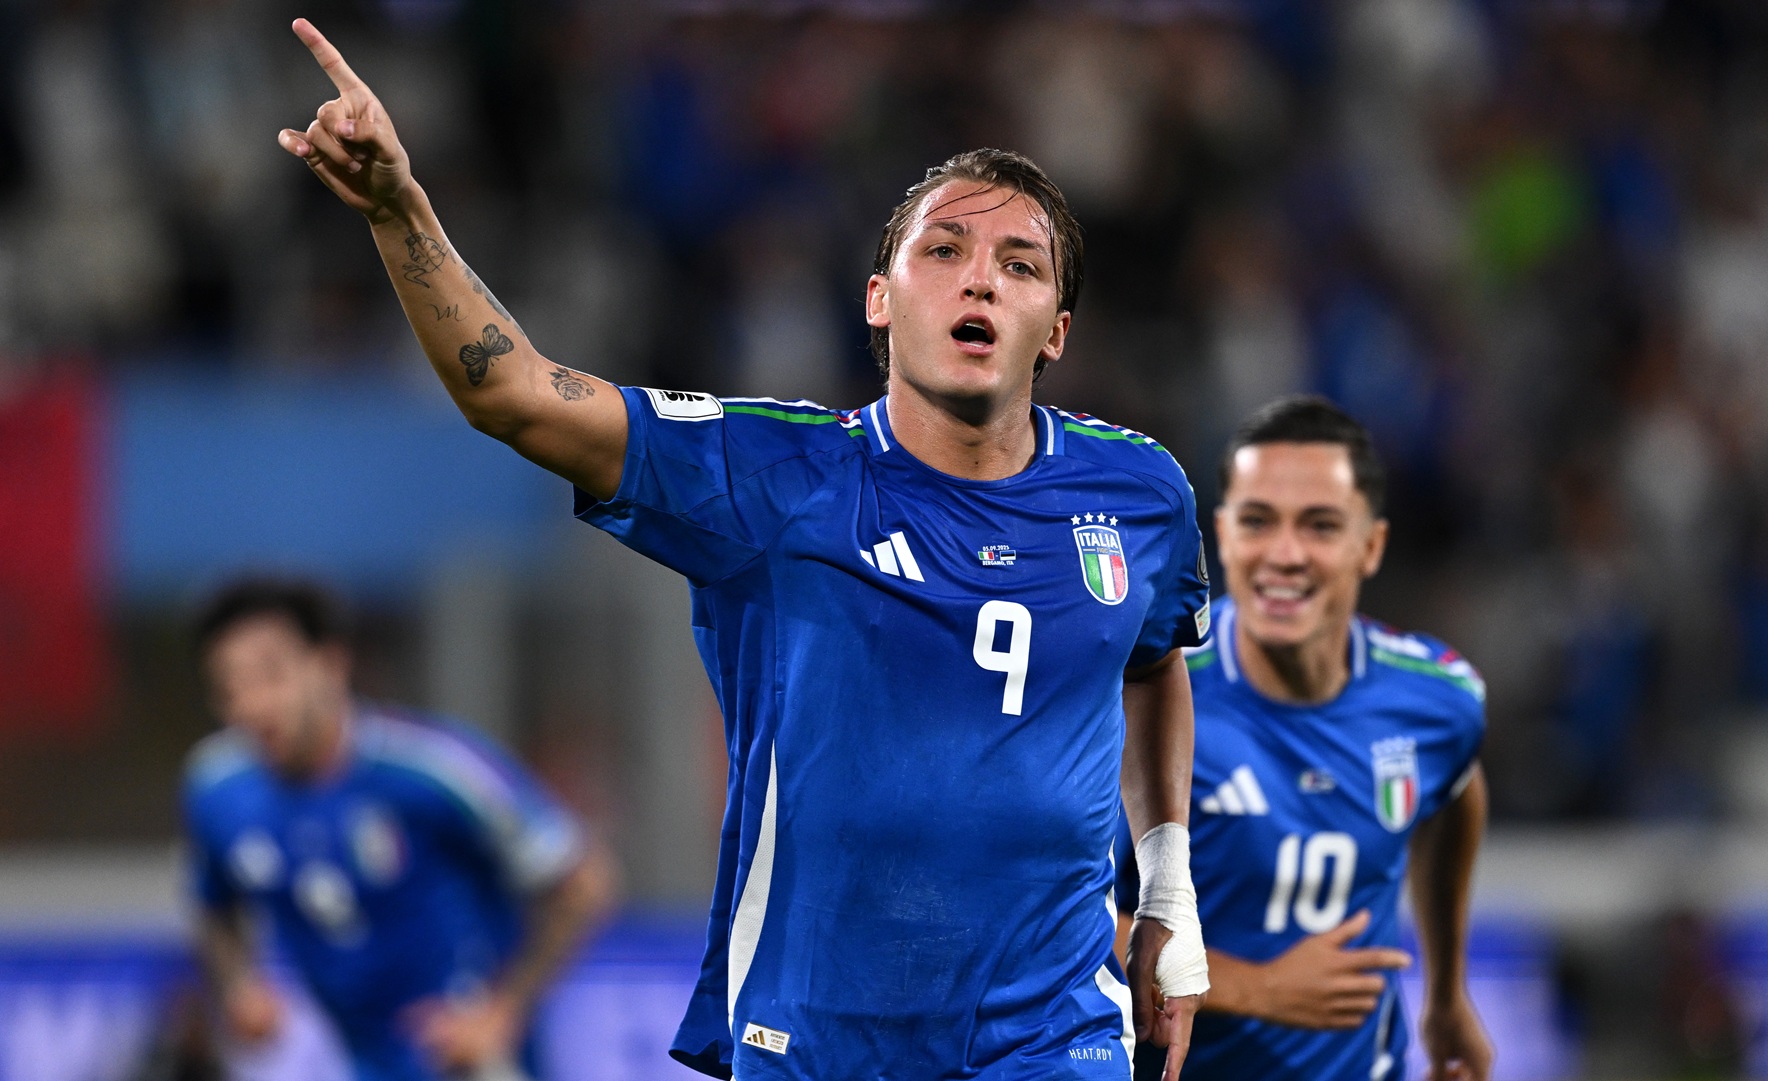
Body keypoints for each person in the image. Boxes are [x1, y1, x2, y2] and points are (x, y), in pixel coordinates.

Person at [273, 18, 1211, 1081]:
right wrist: (402, 211)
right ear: (880, 301)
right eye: (941, 251)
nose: (979, 280)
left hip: (1053, 1030)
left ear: (1056, 329)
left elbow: (1152, 661)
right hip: (819, 1034)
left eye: (1020, 264)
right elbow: (514, 393)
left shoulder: (1139, 494)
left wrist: (1168, 895)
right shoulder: (776, 477)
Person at [1118, 397, 1493, 1080]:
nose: (1284, 555)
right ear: (1223, 535)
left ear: (1370, 545)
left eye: (1320, 525)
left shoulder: (1438, 700)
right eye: (1259, 522)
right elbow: (1060, 913)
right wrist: (1262, 987)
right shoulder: (1152, 696)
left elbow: (1457, 788)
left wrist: (1445, 992)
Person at [182, 578, 616, 1081]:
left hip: (464, 1064)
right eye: (230, 687)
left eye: (270, 676)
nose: (252, 705)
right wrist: (239, 984)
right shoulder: (216, 788)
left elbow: (584, 881)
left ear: (330, 664)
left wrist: (502, 1011)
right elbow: (213, 902)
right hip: (353, 1061)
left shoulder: (432, 770)